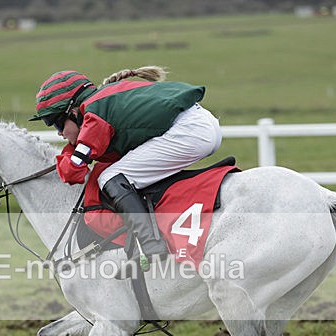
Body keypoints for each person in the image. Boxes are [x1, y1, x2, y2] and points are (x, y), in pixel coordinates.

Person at [30, 66, 222, 268]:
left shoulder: (94, 115)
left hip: (192, 132)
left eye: (57, 124)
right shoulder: (99, 103)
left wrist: (70, 152)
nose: (60, 133)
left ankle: (150, 246)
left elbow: (73, 172)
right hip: (199, 124)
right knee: (121, 172)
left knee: (110, 176)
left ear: (74, 112)